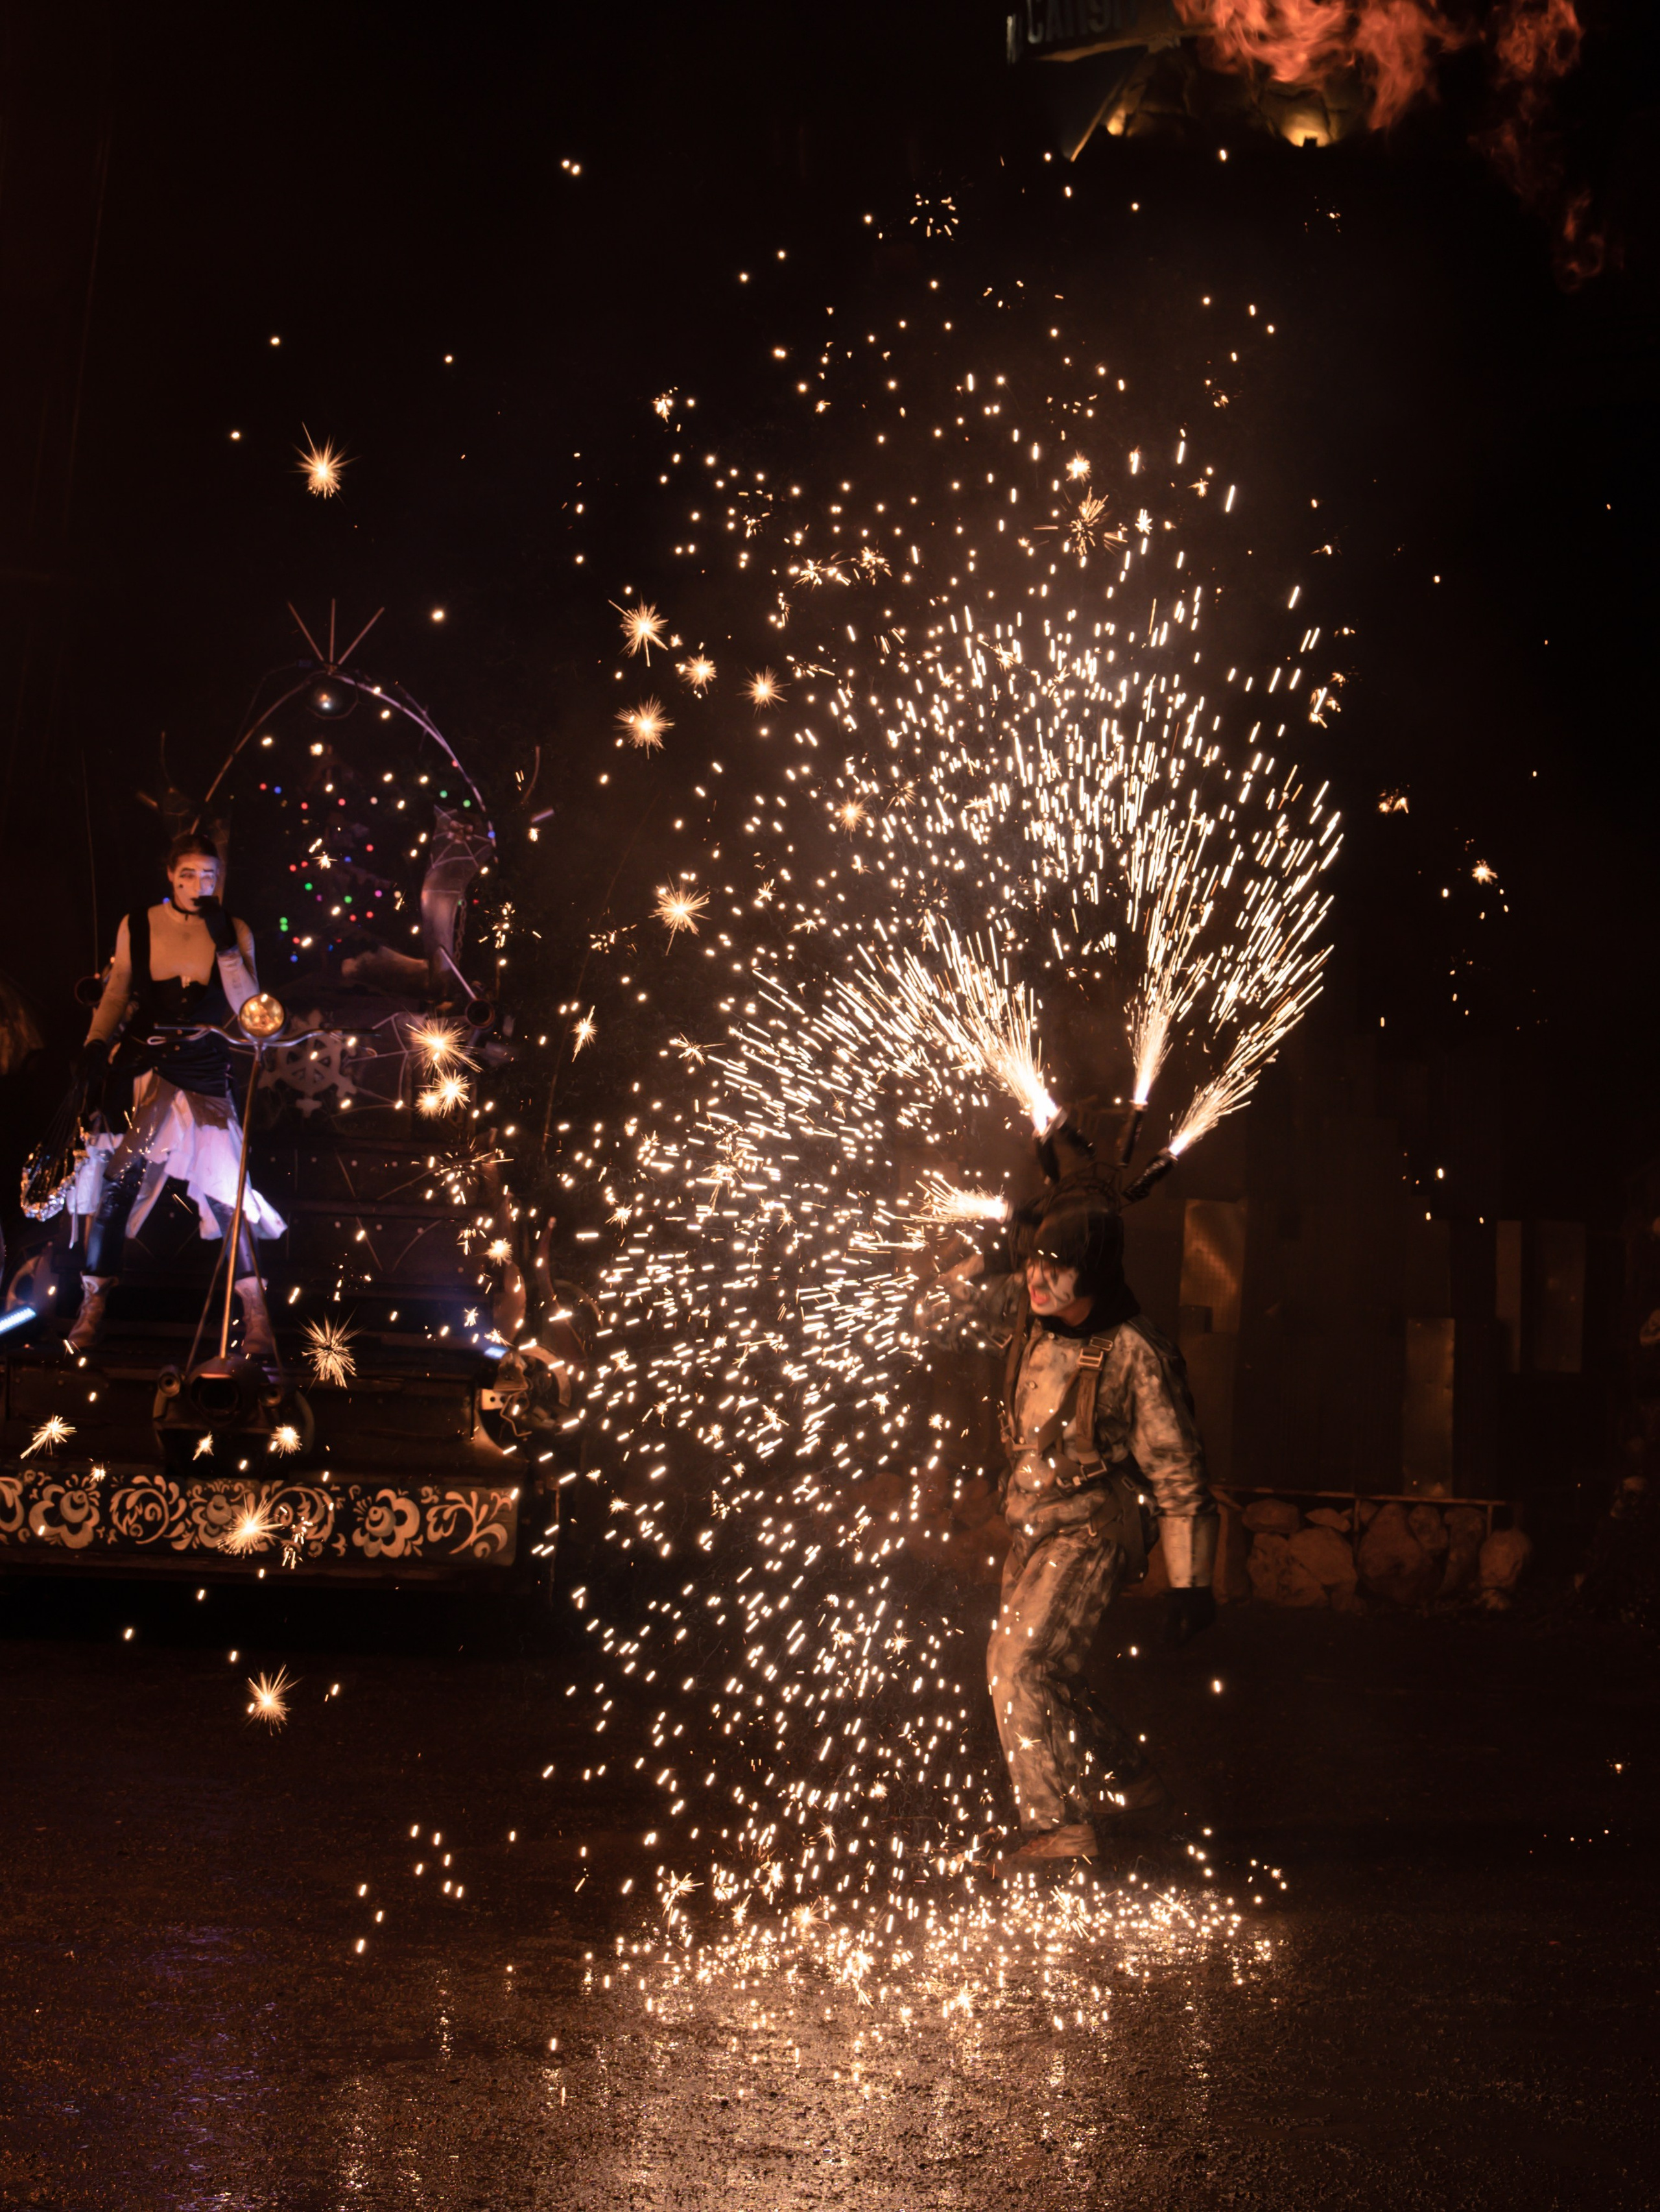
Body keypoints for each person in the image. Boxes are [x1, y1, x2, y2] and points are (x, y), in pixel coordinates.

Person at [918, 1169, 1218, 1866]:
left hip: (1093, 1530)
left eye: (1058, 1268)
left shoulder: (1137, 1355)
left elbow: (1178, 1472)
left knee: (1015, 1663)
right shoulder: (1023, 1313)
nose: (1038, 1279)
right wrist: (985, 1258)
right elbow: (930, 1318)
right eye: (1035, 1262)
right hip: (1032, 1525)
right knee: (1047, 1672)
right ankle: (1133, 1784)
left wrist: (1191, 1581)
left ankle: (1058, 1825)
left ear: (1095, 1273)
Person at [64, 833, 284, 1358]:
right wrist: (96, 1043)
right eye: (188, 874)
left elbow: (248, 1008)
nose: (198, 885)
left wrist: (226, 945)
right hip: (147, 1068)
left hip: (206, 1070)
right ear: (170, 875)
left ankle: (256, 1316)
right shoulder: (138, 924)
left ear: (219, 879)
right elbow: (118, 990)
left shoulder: (235, 929)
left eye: (209, 876)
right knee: (118, 1185)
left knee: (229, 1194)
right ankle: (92, 1304)